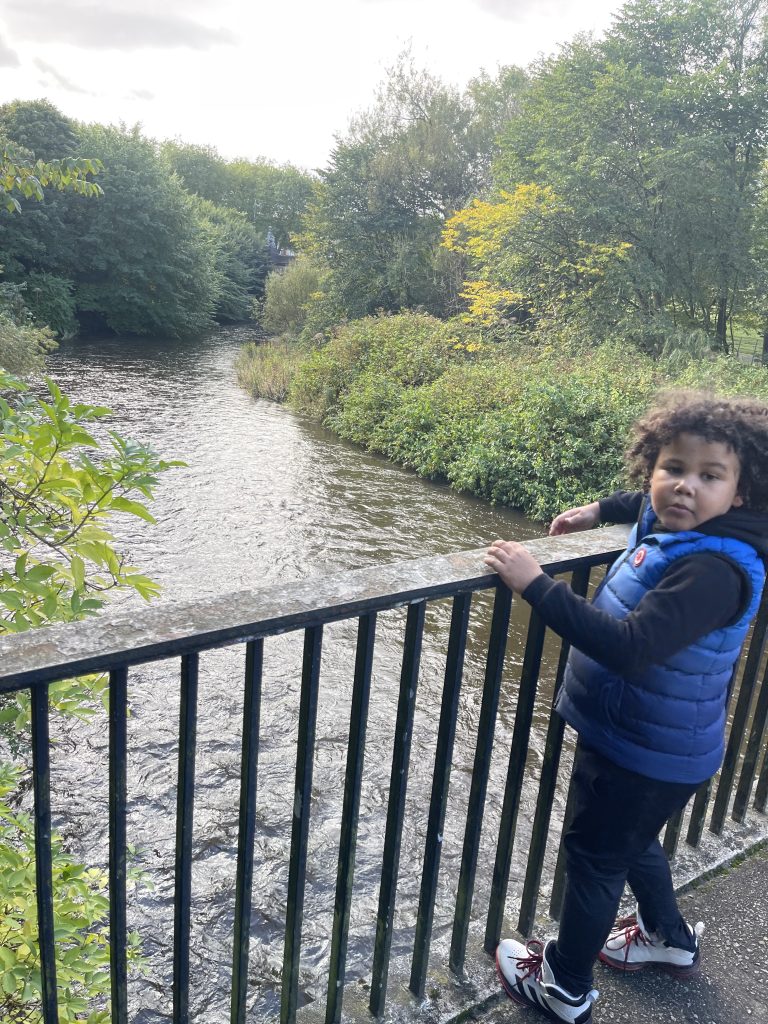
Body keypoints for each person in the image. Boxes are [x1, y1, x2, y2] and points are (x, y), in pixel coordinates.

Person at [483, 391, 768, 1024]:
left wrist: (536, 584)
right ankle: (666, 940)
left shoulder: (714, 571)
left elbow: (630, 647)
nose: (684, 487)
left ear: (740, 493)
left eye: (709, 476)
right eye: (672, 469)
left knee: (593, 859)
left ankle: (565, 984)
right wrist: (593, 511)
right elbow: (642, 503)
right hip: (653, 743)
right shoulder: (685, 525)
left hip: (644, 751)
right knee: (632, 843)